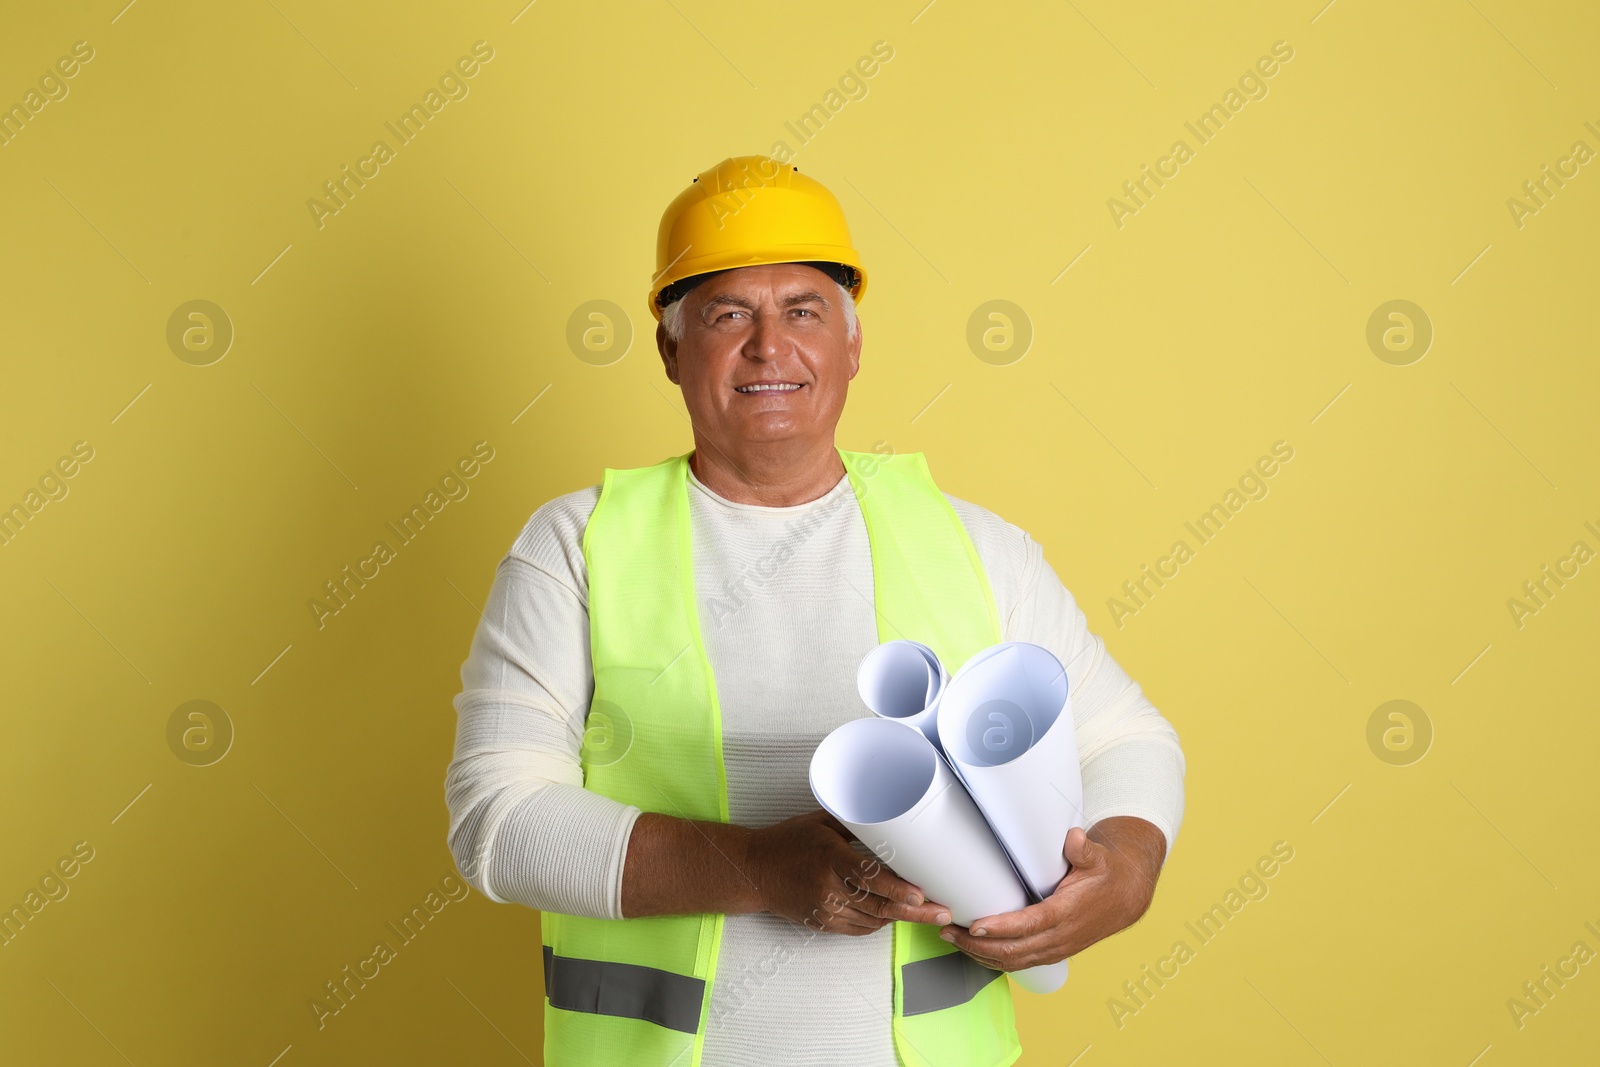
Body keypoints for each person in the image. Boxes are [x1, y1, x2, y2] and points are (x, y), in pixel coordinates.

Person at [444, 154, 1186, 1067]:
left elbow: (1126, 740)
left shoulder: (972, 543)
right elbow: (498, 818)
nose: (769, 346)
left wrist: (1128, 869)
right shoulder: (578, 545)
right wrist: (757, 868)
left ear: (852, 345)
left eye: (803, 311)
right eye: (727, 315)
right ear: (673, 351)